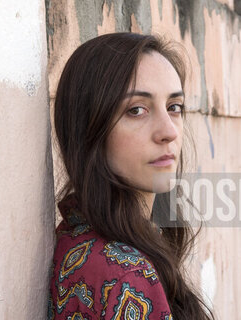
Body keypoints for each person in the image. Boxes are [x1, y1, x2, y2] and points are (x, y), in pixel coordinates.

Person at [47, 32, 215, 320]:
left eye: (174, 107)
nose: (170, 132)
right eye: (137, 110)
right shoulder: (126, 275)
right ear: (89, 130)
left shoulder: (79, 235)